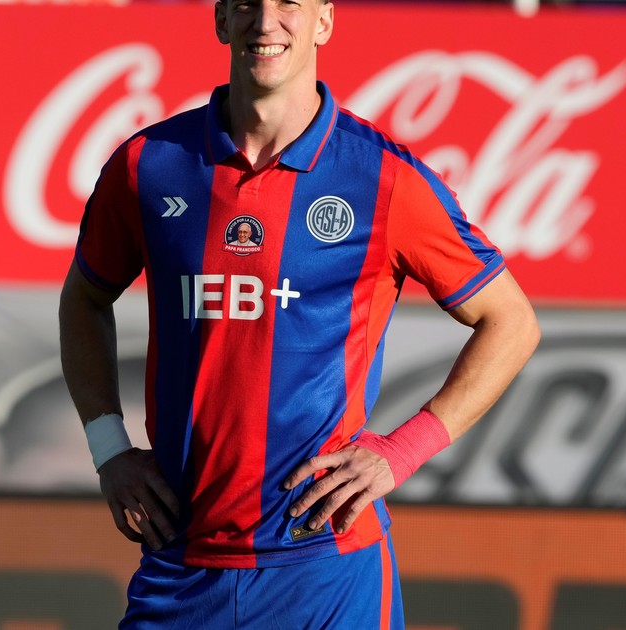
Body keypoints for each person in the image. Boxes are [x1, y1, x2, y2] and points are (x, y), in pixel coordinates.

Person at [58, 0, 541, 625]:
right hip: (179, 568)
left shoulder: (384, 178)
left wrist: (402, 452)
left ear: (325, 22)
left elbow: (511, 322)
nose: (266, 22)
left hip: (326, 570)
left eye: (290, 4)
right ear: (221, 19)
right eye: (247, 4)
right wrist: (109, 449)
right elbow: (85, 297)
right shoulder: (148, 164)